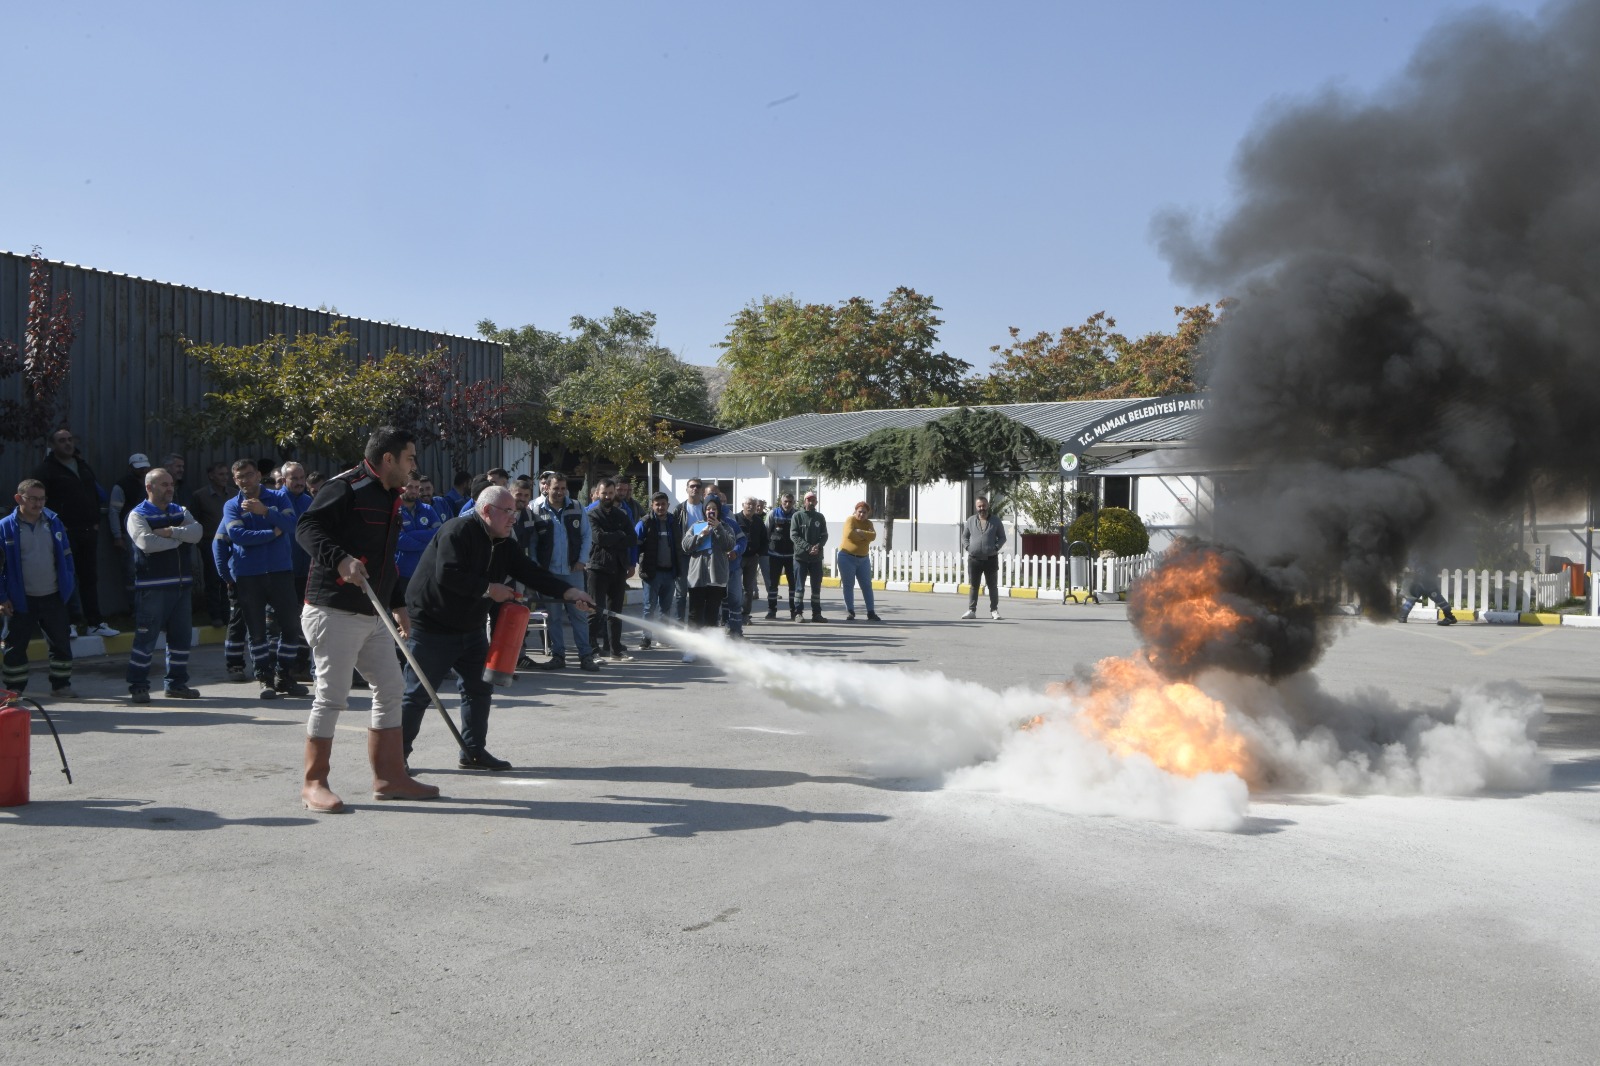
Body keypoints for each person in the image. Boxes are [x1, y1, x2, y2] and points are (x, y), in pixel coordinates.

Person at [294, 426, 439, 812]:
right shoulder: (346, 487)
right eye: (410, 458)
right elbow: (306, 528)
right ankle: (314, 782)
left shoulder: (390, 495)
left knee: (391, 689)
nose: (414, 467)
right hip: (333, 609)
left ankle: (389, 777)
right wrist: (340, 558)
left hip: (373, 612)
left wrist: (399, 606)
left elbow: (384, 558)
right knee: (332, 697)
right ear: (388, 459)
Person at [401, 486, 596, 771]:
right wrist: (489, 588)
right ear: (487, 510)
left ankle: (473, 752)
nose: (513, 518)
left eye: (515, 512)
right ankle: (395, 758)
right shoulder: (458, 531)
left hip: (471, 626)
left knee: (478, 689)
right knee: (418, 694)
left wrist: (569, 592)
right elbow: (448, 574)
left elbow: (529, 571)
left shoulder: (504, 542)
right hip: (433, 626)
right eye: (508, 512)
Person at [214, 459, 310, 700]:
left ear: (258, 475)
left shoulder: (278, 498)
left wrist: (265, 512)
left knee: (290, 627)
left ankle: (283, 676)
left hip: (280, 572)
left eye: (249, 474)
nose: (245, 480)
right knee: (256, 632)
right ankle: (264, 679)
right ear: (235, 481)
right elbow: (236, 535)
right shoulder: (231, 505)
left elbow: (291, 524)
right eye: (240, 478)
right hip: (249, 575)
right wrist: (271, 532)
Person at [124, 467, 203, 703]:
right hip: (153, 588)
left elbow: (197, 532)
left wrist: (169, 532)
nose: (170, 488)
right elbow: (146, 543)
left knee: (180, 639)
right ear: (149, 487)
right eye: (164, 484)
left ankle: (177, 684)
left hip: (181, 587)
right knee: (145, 640)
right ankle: (138, 685)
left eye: (171, 484)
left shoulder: (180, 510)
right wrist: (181, 538)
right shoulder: (137, 515)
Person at [31, 426, 117, 637]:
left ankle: (94, 623)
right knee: (64, 577)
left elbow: (94, 494)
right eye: (62, 441)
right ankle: (67, 623)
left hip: (88, 531)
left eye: (70, 439)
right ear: (52, 445)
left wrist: (96, 521)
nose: (68, 444)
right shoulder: (46, 471)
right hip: (63, 533)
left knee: (89, 577)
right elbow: (39, 502)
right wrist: (57, 526)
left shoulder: (83, 466)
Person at [0, 479, 78, 699]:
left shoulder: (53, 522)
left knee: (61, 643)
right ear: (18, 499)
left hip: (53, 595)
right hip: (20, 599)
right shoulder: (5, 527)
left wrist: (68, 583)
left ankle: (61, 685)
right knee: (15, 646)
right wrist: (2, 596)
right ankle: (14, 689)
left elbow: (66, 556)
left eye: (41, 499)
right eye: (32, 499)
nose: (38, 504)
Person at [531, 474, 599, 671]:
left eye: (563, 488)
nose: (559, 492)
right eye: (555, 488)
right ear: (546, 488)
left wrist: (582, 560)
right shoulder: (536, 509)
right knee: (553, 617)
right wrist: (536, 567)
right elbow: (533, 542)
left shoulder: (577, 507)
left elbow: (587, 535)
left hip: (573, 571)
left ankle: (586, 656)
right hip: (549, 573)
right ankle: (558, 655)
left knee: (579, 614)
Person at [585, 477, 639, 660]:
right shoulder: (592, 515)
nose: (607, 496)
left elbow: (633, 539)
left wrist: (613, 537)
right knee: (595, 610)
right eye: (604, 493)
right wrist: (619, 535)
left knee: (615, 613)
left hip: (618, 568)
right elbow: (598, 538)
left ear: (614, 493)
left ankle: (615, 650)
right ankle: (592, 650)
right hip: (597, 568)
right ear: (597, 494)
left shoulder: (622, 515)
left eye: (610, 492)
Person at [680, 498, 736, 664]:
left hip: (716, 578)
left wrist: (717, 527)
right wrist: (701, 535)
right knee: (694, 614)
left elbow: (729, 545)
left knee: (712, 614)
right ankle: (692, 648)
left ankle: (710, 649)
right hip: (697, 577)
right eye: (708, 509)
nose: (711, 512)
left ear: (718, 511)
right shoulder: (697, 525)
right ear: (704, 511)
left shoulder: (726, 527)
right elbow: (686, 546)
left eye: (714, 509)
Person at [635, 492, 681, 651]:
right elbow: (634, 545)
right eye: (657, 504)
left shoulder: (674, 522)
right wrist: (637, 564)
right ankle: (645, 638)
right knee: (649, 608)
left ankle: (662, 638)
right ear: (652, 506)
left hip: (670, 573)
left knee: (666, 608)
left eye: (663, 504)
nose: (660, 507)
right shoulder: (644, 523)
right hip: (651, 574)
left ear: (668, 505)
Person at [107, 453, 154, 591]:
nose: (143, 470)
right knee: (132, 570)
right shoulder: (121, 486)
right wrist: (117, 535)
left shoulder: (153, 483)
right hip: (129, 534)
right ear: (130, 468)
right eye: (139, 467)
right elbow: (114, 511)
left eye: (145, 467)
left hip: (151, 532)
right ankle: (135, 606)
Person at [705, 491, 746, 638]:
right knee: (714, 603)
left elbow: (742, 541)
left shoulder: (731, 524)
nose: (713, 510)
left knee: (735, 599)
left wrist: (735, 551)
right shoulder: (700, 525)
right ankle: (714, 634)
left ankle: (736, 631)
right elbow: (689, 546)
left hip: (732, 568)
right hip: (712, 572)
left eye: (719, 504)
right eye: (710, 507)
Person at [961, 495, 1006, 620]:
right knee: (974, 586)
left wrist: (996, 548)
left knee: (992, 586)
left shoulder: (996, 521)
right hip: (974, 559)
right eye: (979, 506)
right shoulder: (970, 521)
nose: (982, 508)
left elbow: (1002, 537)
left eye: (984, 505)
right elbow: (964, 537)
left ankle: (994, 610)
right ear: (976, 507)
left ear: (988, 506)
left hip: (990, 559)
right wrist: (968, 547)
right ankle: (971, 610)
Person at [837, 501, 882, 622]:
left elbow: (873, 536)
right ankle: (850, 611)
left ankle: (871, 612)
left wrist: (861, 533)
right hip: (846, 557)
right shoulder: (850, 520)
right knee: (848, 585)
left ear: (868, 514)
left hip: (863, 559)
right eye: (860, 512)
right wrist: (864, 537)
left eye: (864, 512)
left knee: (867, 585)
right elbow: (849, 534)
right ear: (855, 511)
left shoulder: (868, 523)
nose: (862, 514)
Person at [671, 478, 708, 623]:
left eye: (698, 486)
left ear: (702, 490)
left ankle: (697, 625)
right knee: (681, 593)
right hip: (684, 556)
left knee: (699, 592)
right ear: (687, 489)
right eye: (692, 486)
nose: (695, 489)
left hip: (701, 556)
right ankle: (679, 624)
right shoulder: (679, 509)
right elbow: (675, 534)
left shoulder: (706, 508)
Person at [791, 490, 829, 623]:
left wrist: (818, 546)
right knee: (799, 587)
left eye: (813, 500)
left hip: (816, 558)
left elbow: (824, 535)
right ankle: (798, 613)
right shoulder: (797, 516)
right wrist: (808, 547)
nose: (811, 502)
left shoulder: (820, 517)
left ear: (816, 502)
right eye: (809, 500)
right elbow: (794, 535)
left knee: (816, 587)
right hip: (801, 558)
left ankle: (816, 614)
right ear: (804, 501)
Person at [765, 492, 798, 620]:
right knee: (773, 584)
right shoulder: (773, 513)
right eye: (785, 501)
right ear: (781, 502)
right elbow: (766, 531)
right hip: (775, 555)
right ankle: (771, 610)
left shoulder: (796, 515)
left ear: (793, 502)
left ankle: (793, 611)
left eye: (790, 502)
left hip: (792, 555)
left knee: (793, 584)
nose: (788, 504)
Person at [1399, 556, 1459, 626]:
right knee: (1438, 599)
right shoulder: (1427, 555)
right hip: (1425, 583)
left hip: (1425, 583)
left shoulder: (1424, 555)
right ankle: (1449, 616)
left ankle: (1402, 616)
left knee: (1412, 598)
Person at [738, 497, 769, 624]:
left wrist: (759, 553)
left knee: (748, 588)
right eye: (748, 504)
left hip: (752, 558)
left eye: (753, 505)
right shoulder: (735, 519)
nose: (751, 507)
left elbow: (764, 539)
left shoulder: (758, 521)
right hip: (738, 557)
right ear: (743, 505)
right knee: (735, 586)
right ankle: (734, 613)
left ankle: (745, 615)